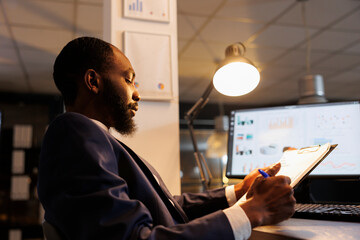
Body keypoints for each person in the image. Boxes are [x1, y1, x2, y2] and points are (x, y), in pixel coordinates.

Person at [37, 37, 295, 240]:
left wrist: (237, 191)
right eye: (129, 80)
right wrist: (252, 212)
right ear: (93, 81)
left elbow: (168, 205)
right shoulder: (75, 131)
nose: (136, 94)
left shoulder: (92, 138)